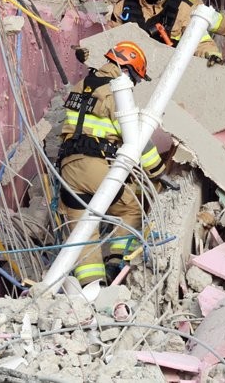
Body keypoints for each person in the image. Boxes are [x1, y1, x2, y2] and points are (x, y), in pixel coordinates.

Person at [57, 42, 164, 286]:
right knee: (131, 208)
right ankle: (118, 260)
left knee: (83, 233)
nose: (135, 84)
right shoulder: (117, 92)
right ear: (126, 70)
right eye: (135, 78)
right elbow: (136, 138)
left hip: (68, 169)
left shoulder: (79, 88)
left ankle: (92, 287)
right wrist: (157, 171)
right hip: (96, 167)